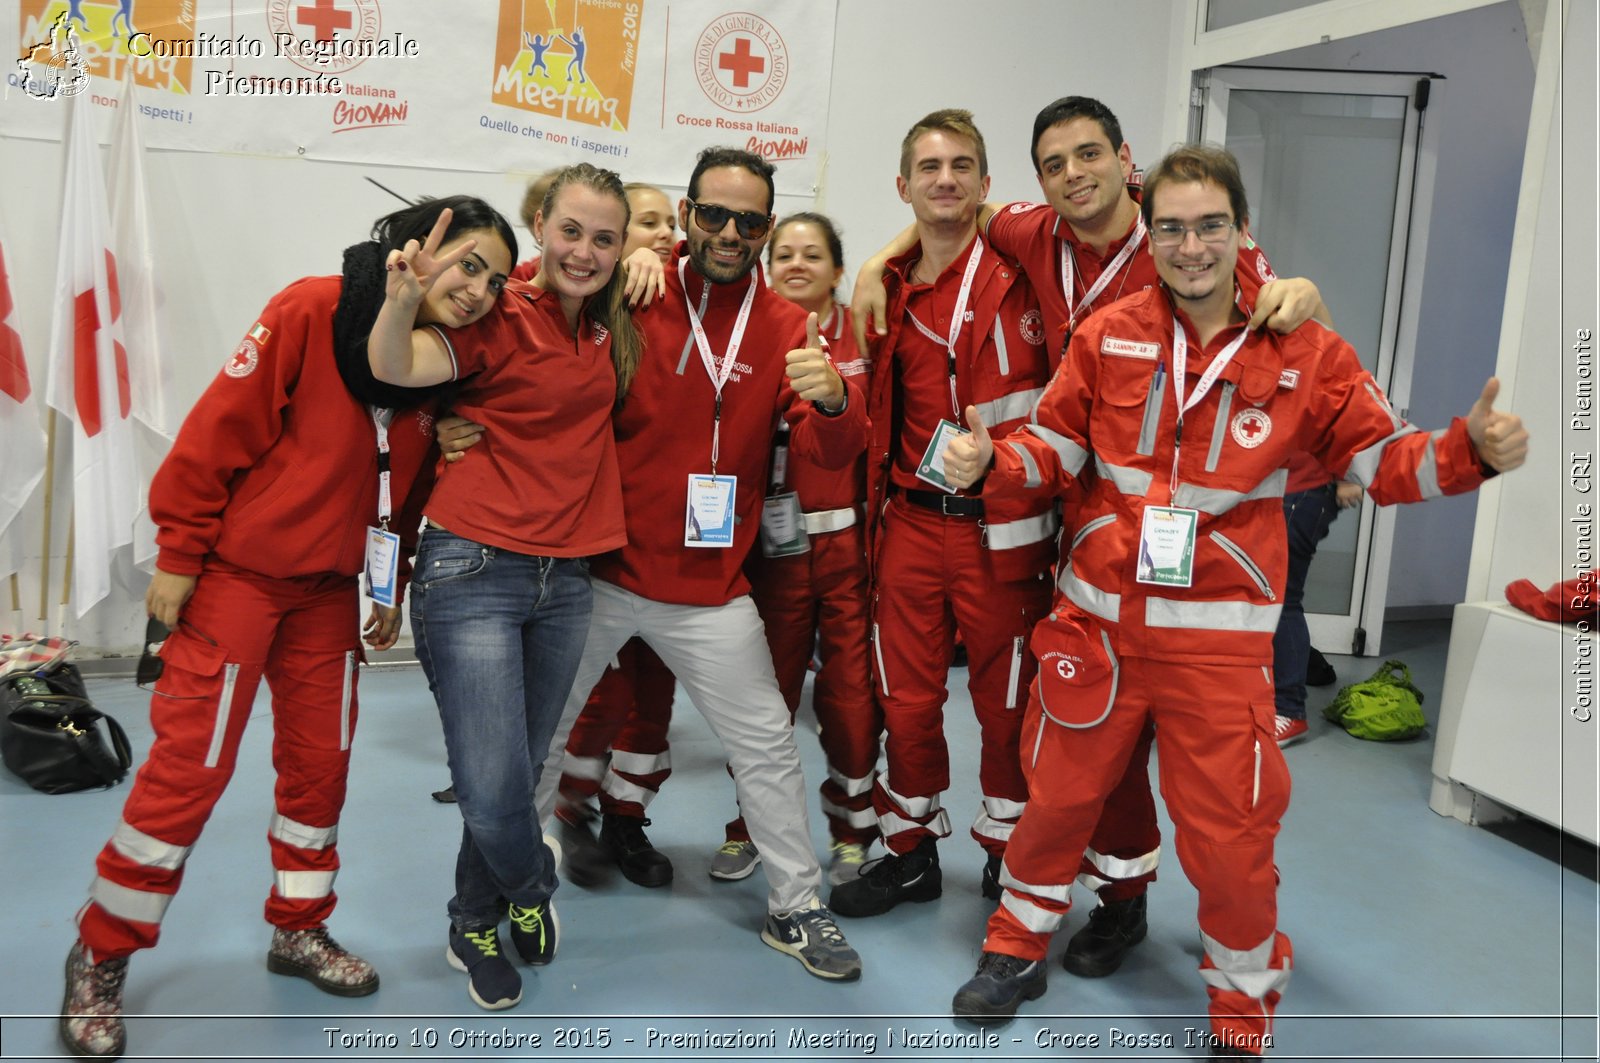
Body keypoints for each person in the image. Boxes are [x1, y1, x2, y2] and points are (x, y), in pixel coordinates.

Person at [939, 144, 1527, 1058]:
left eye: (1209, 224)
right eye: (1170, 226)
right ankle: (1015, 949)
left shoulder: (1307, 352)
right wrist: (993, 464)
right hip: (1094, 627)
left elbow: (1382, 461)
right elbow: (1053, 450)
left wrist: (1472, 451)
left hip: (1217, 650)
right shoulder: (1108, 335)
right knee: (1055, 804)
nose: (1189, 245)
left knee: (1231, 840)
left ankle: (1241, 1011)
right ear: (1151, 233)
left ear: (1241, 231)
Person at [849, 94, 1327, 978]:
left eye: (1089, 156)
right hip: (1070, 512)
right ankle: (975, 867)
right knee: (1077, 721)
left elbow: (1276, 304)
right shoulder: (1035, 233)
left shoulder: (1181, 240)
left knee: (1124, 738)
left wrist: (1299, 291)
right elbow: (957, 206)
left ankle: (1123, 899)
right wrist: (881, 255)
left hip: (1166, 525)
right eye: (1056, 163)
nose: (1075, 174)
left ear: (1126, 160)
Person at [58, 195, 497, 1060]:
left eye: (493, 275)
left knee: (320, 771)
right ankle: (102, 951)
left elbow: (400, 493)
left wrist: (389, 581)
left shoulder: (444, 363)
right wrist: (180, 554)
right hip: (238, 583)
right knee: (190, 771)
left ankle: (298, 927)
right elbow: (216, 434)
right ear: (413, 248)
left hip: (331, 598)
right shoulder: (311, 308)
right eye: (465, 262)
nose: (477, 288)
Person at [527, 146, 868, 980]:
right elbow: (532, 326)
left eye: (749, 221)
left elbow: (833, 451)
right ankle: (513, 882)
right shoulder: (632, 288)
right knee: (533, 737)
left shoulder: (789, 326)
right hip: (600, 571)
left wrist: (831, 398)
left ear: (767, 227)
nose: (728, 233)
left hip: (711, 588)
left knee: (768, 747)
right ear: (683, 214)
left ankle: (796, 906)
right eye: (710, 214)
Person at [368, 165, 642, 1012]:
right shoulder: (501, 310)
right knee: (490, 781)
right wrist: (401, 299)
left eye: (605, 237)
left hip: (567, 582)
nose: (585, 251)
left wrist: (654, 255)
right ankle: (533, 885)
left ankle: (473, 919)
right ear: (539, 225)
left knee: (517, 774)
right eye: (571, 231)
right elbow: (396, 363)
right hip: (473, 568)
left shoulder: (608, 326)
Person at [828, 109, 1057, 922]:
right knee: (909, 699)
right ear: (903, 186)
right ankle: (909, 849)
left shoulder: (1030, 268)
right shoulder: (887, 287)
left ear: (989, 185)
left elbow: (1119, 214)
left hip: (1009, 526)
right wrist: (873, 265)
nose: (946, 179)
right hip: (914, 525)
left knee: (1008, 702)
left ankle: (1006, 850)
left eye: (963, 165)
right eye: (929, 168)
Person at [708, 211, 881, 887]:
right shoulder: (750, 330)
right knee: (762, 693)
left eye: (814, 254)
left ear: (841, 270)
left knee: (849, 694)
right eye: (784, 254)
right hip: (771, 548)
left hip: (846, 544)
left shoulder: (866, 328)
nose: (797, 264)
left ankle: (852, 824)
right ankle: (747, 824)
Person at [1272, 459, 1362, 746]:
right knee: (1267, 596)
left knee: (1281, 598)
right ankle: (1275, 702)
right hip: (1279, 484)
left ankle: (1289, 710)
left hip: (1305, 489)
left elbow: (1361, 423)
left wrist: (1350, 475)